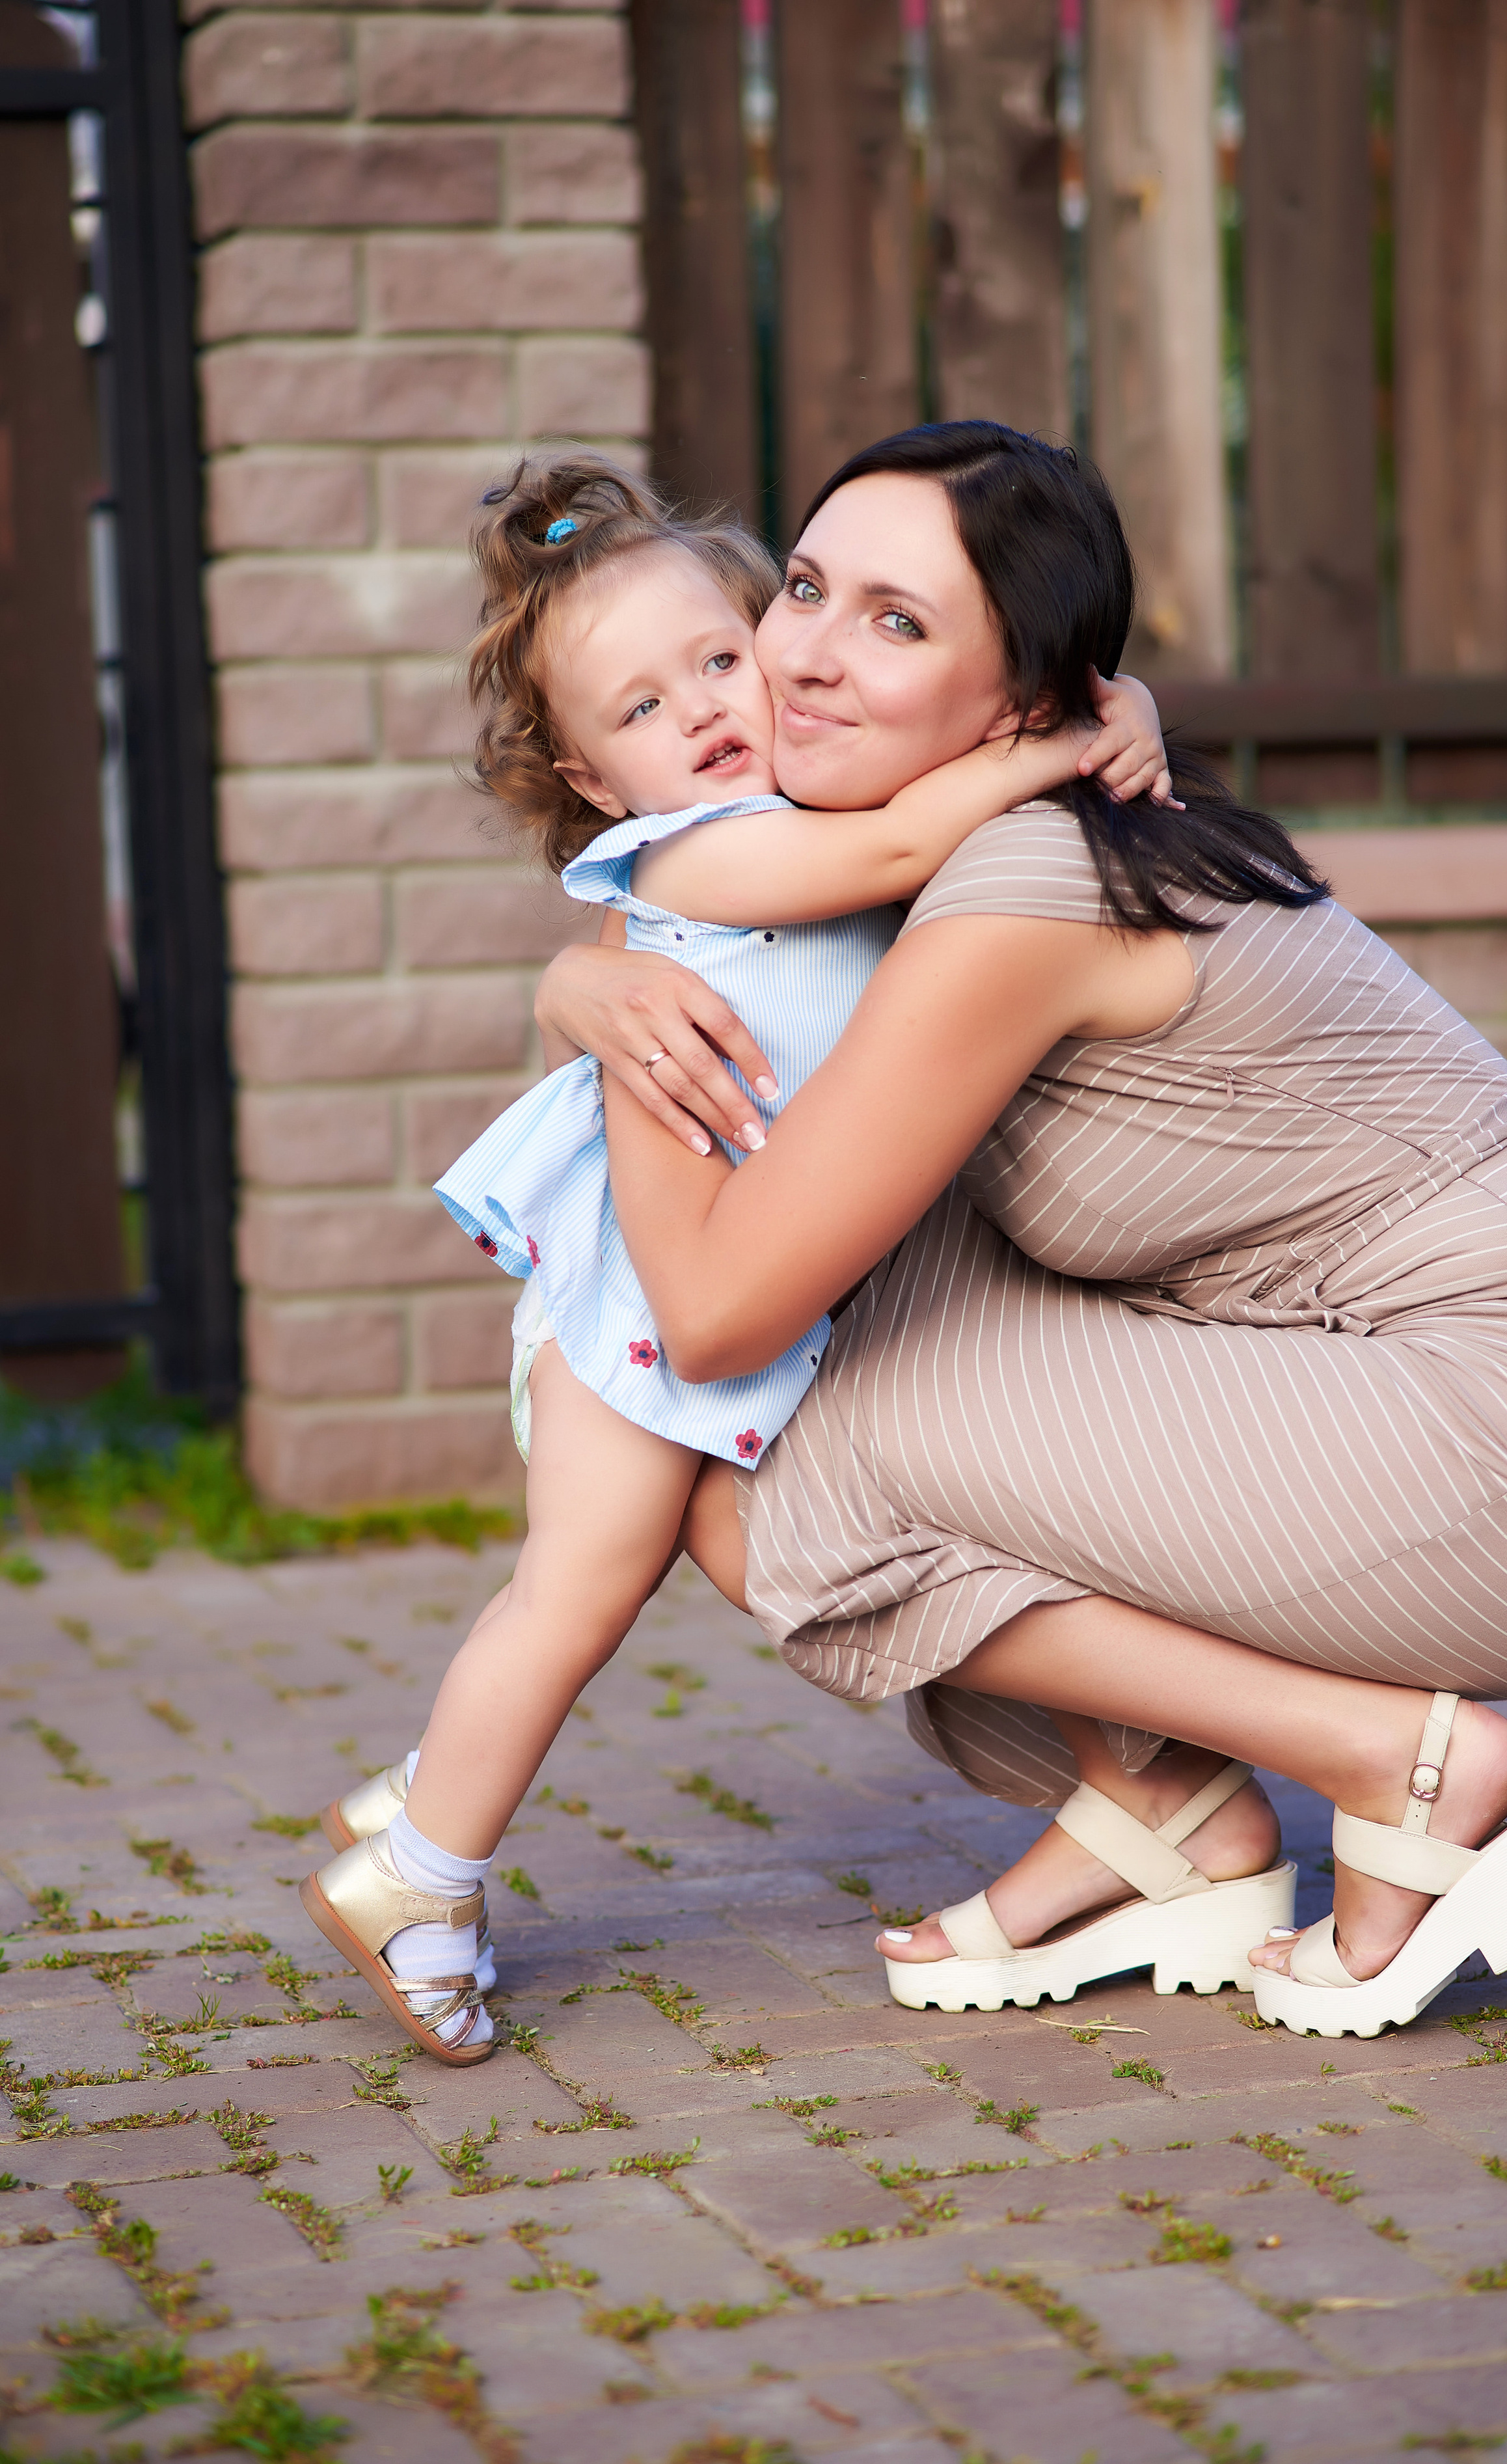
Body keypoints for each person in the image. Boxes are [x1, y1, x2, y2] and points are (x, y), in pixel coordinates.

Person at [540, 420, 1507, 2042]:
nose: (803, 659)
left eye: (896, 623)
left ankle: (1393, 1766)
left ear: (1023, 705)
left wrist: (622, 1000)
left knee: (749, 1446)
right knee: (833, 1347)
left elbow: (707, 1313)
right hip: (1389, 1369)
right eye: (800, 589)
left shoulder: (1022, 885)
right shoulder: (911, 849)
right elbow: (725, 923)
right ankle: (1167, 1815)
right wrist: (587, 976)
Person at [300, 451, 1171, 2063]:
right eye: (639, 710)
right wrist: (1078, 738)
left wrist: (1086, 715)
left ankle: (424, 1794)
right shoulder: (699, 859)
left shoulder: (794, 801)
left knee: (586, 1593)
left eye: (717, 658)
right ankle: (423, 1879)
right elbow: (901, 847)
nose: (701, 710)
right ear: (591, 779)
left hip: (713, 1303)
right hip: (629, 1325)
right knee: (570, 1599)